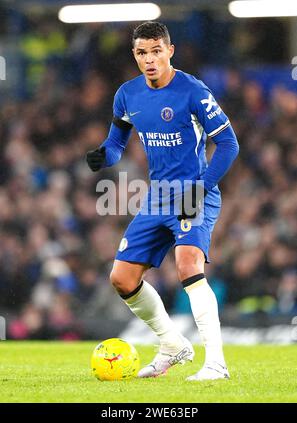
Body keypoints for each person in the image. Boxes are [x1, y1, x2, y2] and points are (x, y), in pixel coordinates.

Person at [86, 21, 239, 380]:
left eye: (157, 51)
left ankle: (216, 363)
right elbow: (116, 144)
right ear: (135, 55)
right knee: (122, 278)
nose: (150, 59)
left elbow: (229, 144)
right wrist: (102, 156)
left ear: (170, 51)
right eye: (142, 52)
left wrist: (202, 187)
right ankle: (172, 344)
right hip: (157, 197)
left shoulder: (193, 91)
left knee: (188, 265)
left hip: (193, 190)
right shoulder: (127, 94)